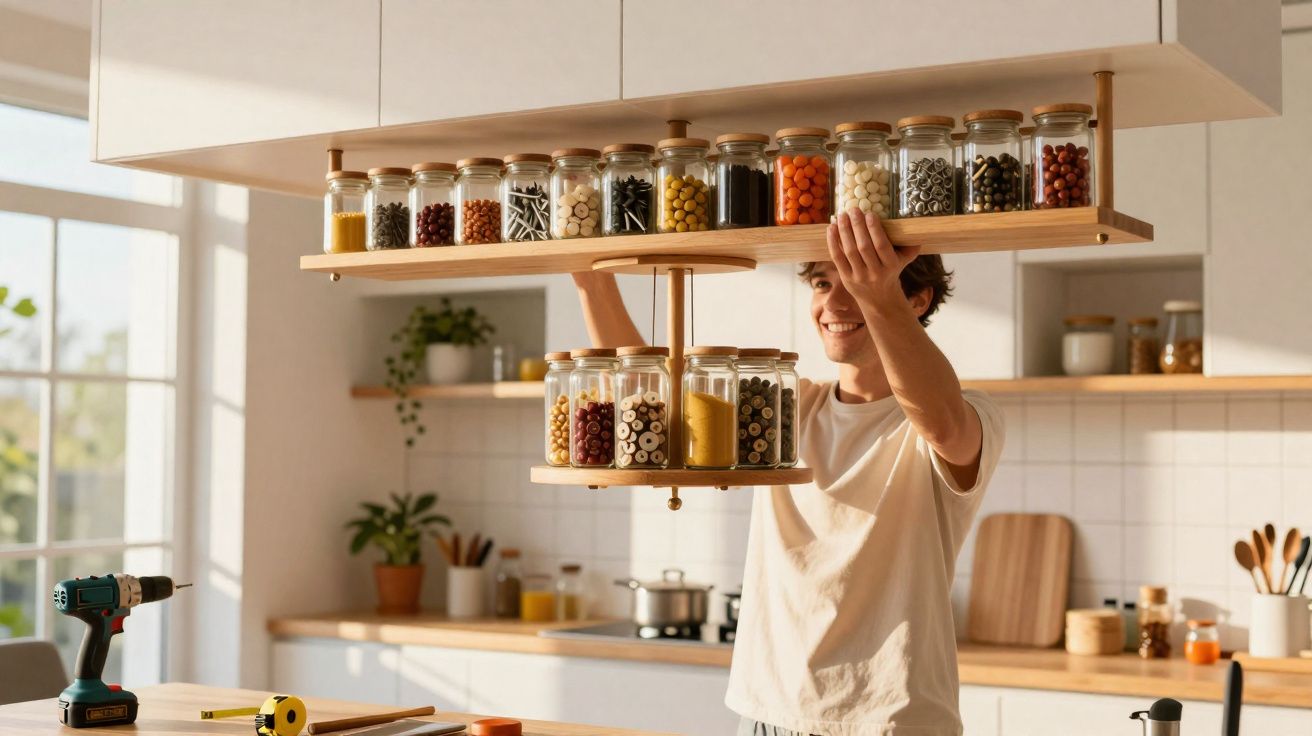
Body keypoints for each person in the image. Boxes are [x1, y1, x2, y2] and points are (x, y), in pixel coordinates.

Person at [571, 210, 1004, 735]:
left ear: (917, 299)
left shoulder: (968, 413)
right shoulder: (784, 409)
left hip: (890, 720)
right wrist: (591, 282)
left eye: (856, 283)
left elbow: (942, 425)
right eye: (823, 283)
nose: (835, 303)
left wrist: (880, 294)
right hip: (768, 713)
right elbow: (653, 397)